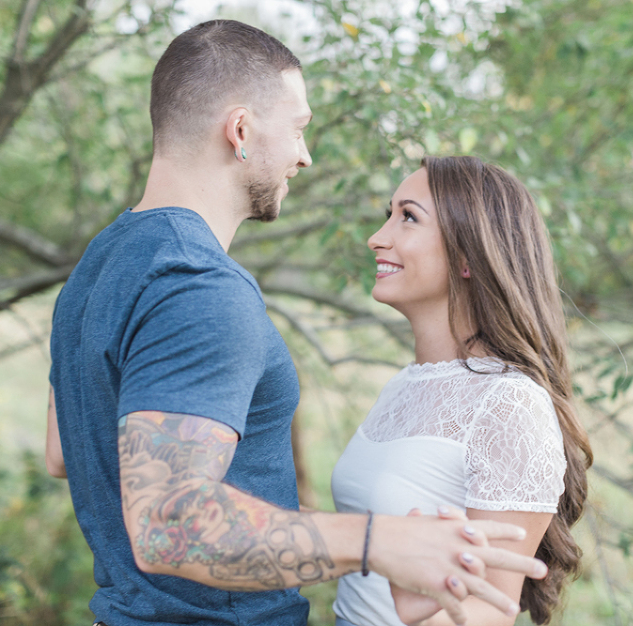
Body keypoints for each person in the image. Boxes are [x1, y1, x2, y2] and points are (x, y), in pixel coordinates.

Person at [44, 21, 549, 626]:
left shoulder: (100, 264)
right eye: (299, 129)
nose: (304, 156)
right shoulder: (205, 287)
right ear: (240, 131)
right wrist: (374, 542)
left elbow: (63, 449)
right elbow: (168, 526)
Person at [331, 156, 593, 626]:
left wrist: (418, 613)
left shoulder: (510, 402)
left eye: (408, 217)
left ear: (468, 257)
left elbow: (488, 611)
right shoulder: (403, 386)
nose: (378, 237)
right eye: (388, 214)